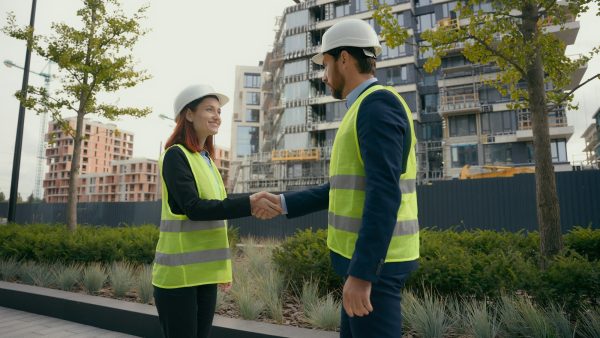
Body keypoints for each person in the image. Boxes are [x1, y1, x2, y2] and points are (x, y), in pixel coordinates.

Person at [259, 19, 420, 337]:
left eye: (326, 63)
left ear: (344, 58)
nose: (324, 75)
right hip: (365, 263)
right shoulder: (363, 107)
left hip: (376, 267)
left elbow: (384, 192)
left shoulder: (377, 107)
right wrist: (282, 202)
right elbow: (344, 188)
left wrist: (363, 274)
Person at [152, 84, 281, 338]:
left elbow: (218, 207)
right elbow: (194, 208)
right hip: (179, 277)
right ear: (188, 114)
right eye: (209, 109)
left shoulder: (207, 160)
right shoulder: (175, 156)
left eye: (219, 111)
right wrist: (249, 203)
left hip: (205, 275)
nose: (217, 116)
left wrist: (222, 271)